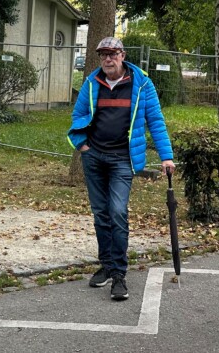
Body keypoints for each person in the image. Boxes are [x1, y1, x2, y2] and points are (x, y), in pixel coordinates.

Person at [68, 37, 175, 301]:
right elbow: (78, 115)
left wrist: (167, 156)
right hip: (93, 158)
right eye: (103, 54)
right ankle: (106, 264)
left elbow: (156, 121)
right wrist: (82, 146)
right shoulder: (92, 84)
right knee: (100, 214)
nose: (107, 59)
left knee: (117, 212)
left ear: (122, 55)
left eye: (112, 54)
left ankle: (119, 275)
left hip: (121, 161)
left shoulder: (142, 85)